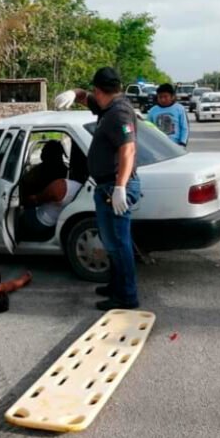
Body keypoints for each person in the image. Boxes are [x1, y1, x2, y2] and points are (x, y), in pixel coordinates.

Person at [70, 67, 142, 310]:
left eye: (93, 92)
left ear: (99, 90)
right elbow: (86, 98)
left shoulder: (119, 113)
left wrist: (120, 187)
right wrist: (74, 94)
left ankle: (127, 296)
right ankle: (116, 287)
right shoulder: (108, 106)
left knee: (119, 244)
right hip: (107, 186)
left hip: (115, 186)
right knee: (111, 243)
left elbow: (128, 149)